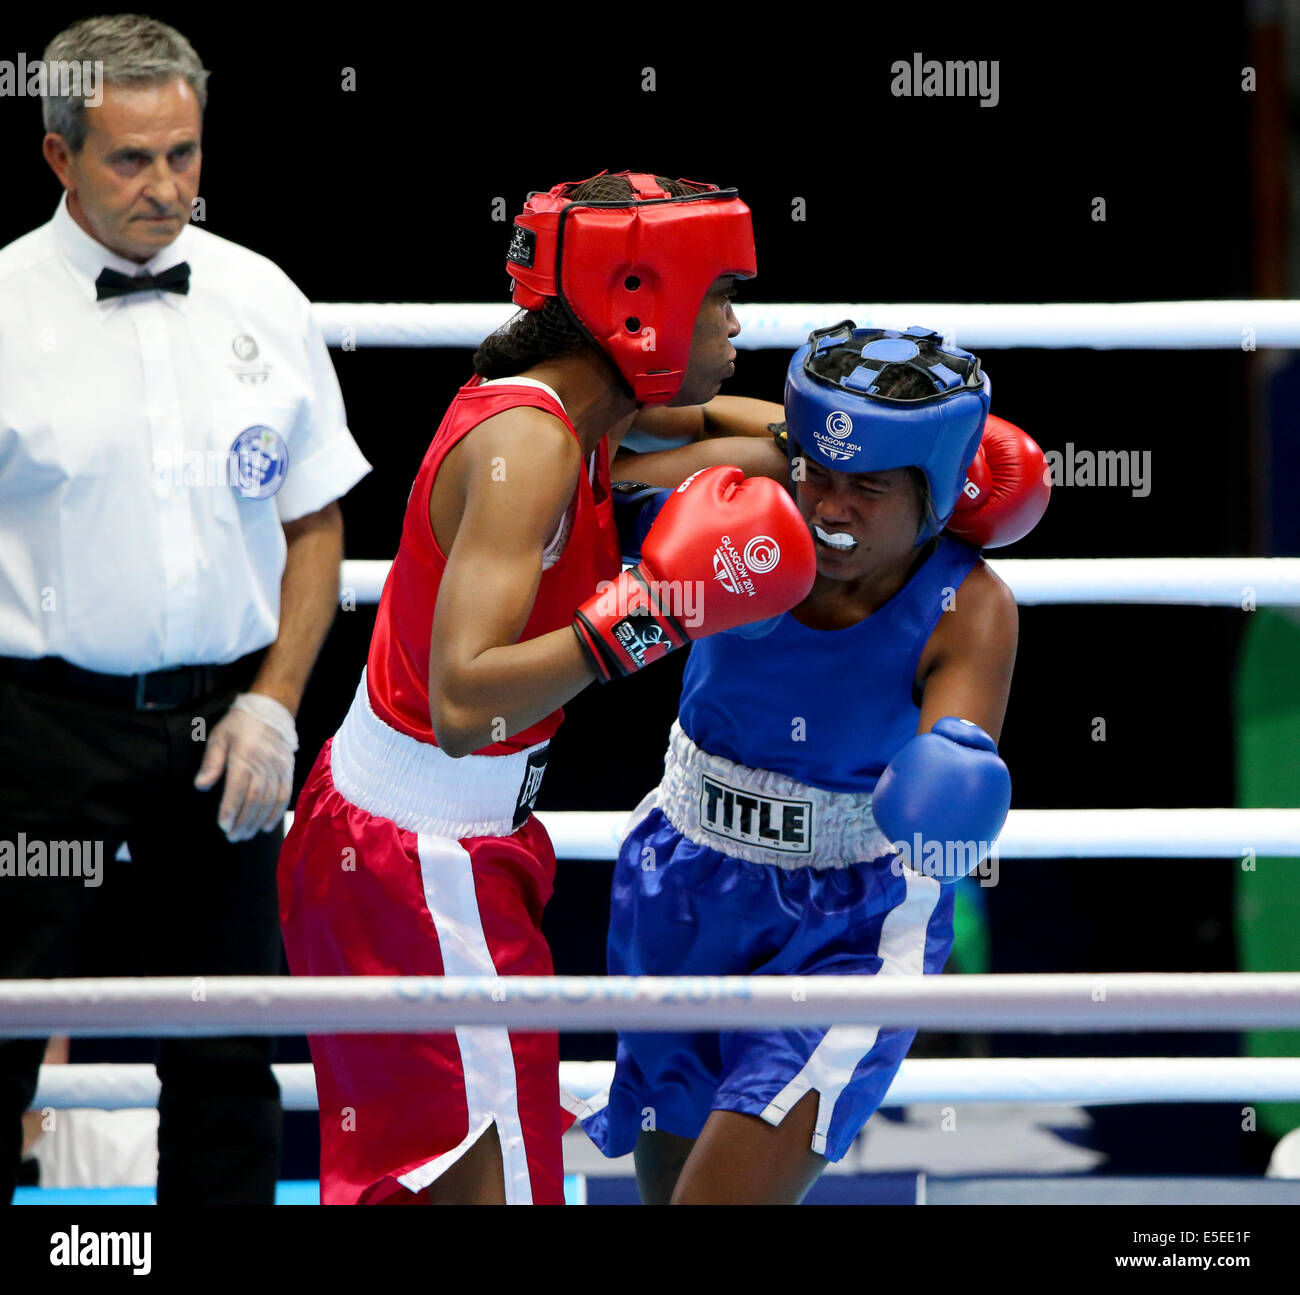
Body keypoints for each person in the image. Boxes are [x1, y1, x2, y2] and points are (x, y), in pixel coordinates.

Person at [277, 171, 818, 1205]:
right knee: (504, 1185)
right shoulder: (528, 445)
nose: (737, 320)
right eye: (718, 295)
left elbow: (723, 433)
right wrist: (649, 612)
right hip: (420, 862)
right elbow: (463, 698)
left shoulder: (581, 413)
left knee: (421, 1180)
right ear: (639, 303)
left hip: (401, 844)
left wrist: (829, 433)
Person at [0, 15, 371, 1203]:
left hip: (226, 725)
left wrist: (274, 702)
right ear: (60, 157)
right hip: (36, 728)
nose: (166, 188)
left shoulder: (261, 295)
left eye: (185, 154)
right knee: (6, 1025)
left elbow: (315, 523)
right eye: (130, 160)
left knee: (225, 1048)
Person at [582, 321, 1050, 1204]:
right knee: (666, 1184)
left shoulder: (967, 604)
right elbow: (586, 476)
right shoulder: (750, 501)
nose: (831, 508)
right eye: (819, 475)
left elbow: (950, 790)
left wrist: (947, 791)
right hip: (682, 874)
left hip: (845, 923)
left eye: (868, 487)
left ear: (940, 490)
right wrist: (764, 450)